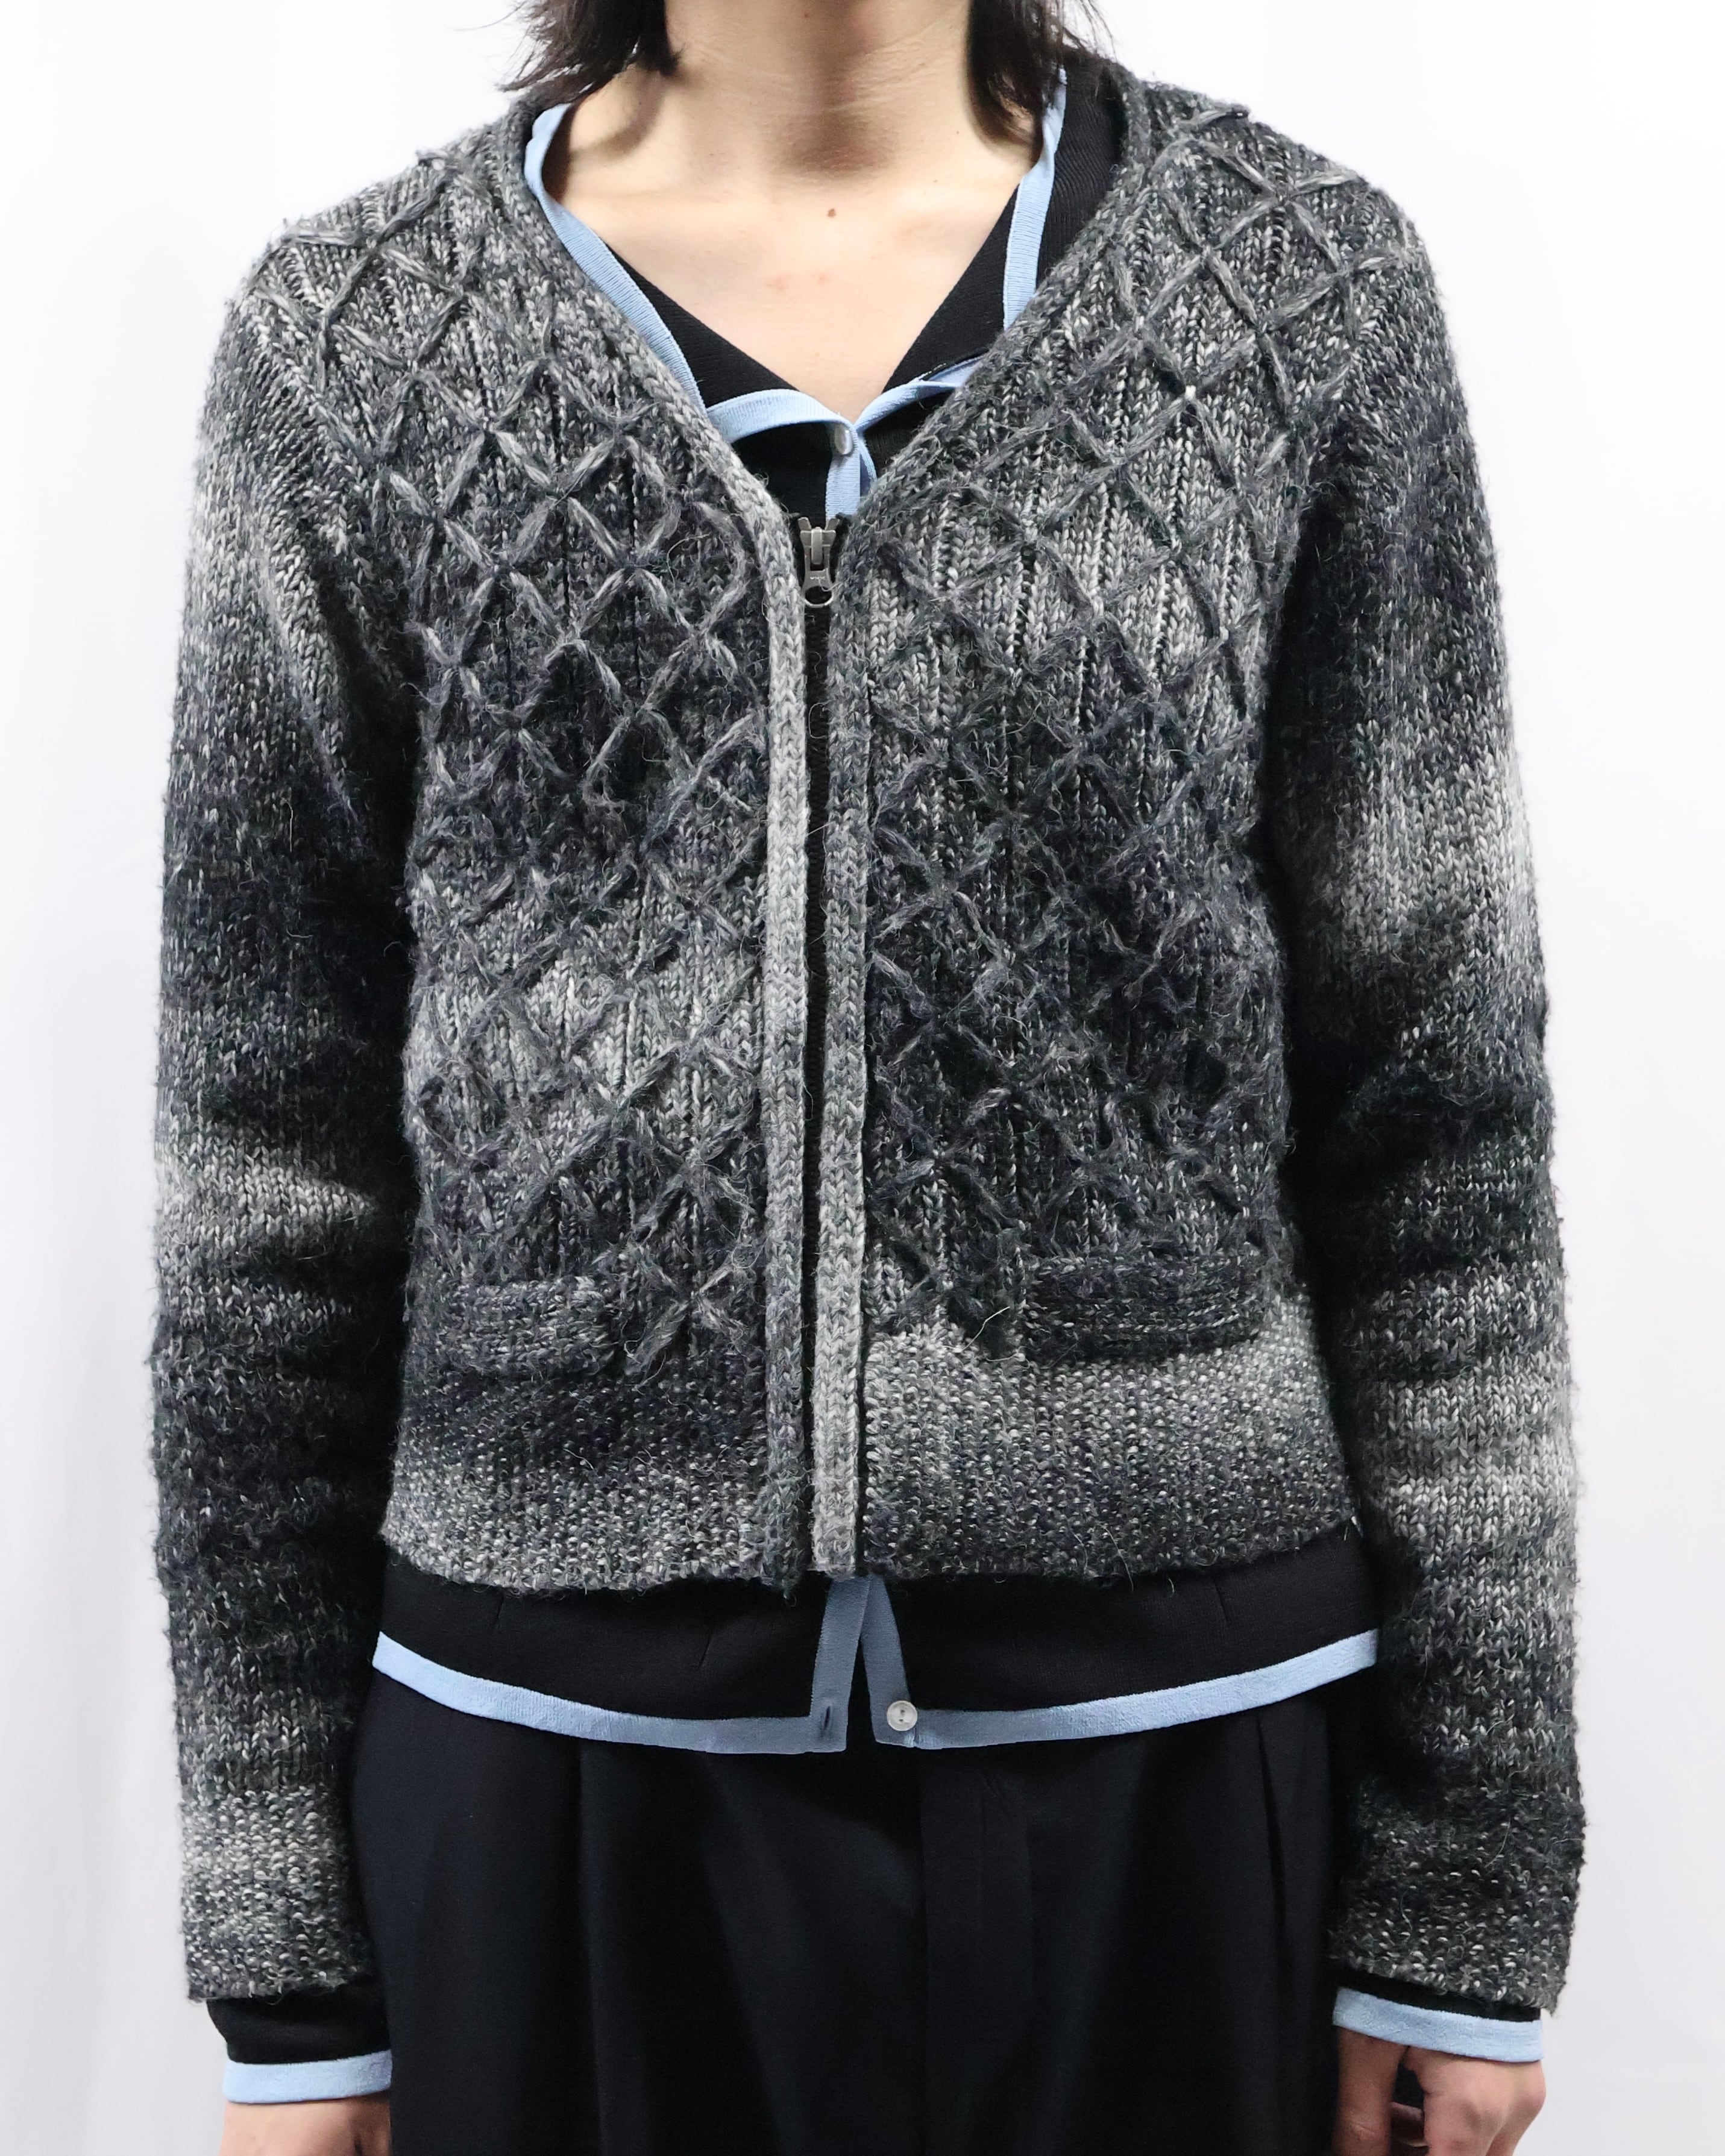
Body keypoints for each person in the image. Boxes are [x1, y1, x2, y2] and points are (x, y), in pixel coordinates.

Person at [150, 1, 1582, 2152]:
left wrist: (1465, 1899)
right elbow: (268, 1165)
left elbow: (1440, 1118)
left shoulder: (1299, 293)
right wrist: (284, 1958)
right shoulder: (356, 342)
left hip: (1180, 1773)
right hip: (552, 1780)